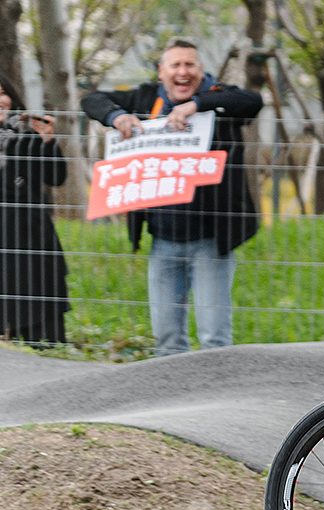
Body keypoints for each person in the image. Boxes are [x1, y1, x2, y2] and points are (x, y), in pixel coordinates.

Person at [81, 37, 263, 357]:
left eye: (190, 65)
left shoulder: (219, 97)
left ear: (201, 71)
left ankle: (217, 388)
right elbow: (91, 99)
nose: (183, 72)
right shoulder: (145, 98)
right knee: (166, 339)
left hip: (211, 240)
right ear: (161, 72)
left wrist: (197, 104)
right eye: (175, 65)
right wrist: (116, 117)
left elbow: (252, 101)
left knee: (214, 336)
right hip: (163, 239)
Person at [0, 73, 70, 347]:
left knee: (37, 290)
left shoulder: (27, 133)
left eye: (3, 93)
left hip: (29, 229)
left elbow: (56, 177)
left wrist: (48, 142)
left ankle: (41, 346)